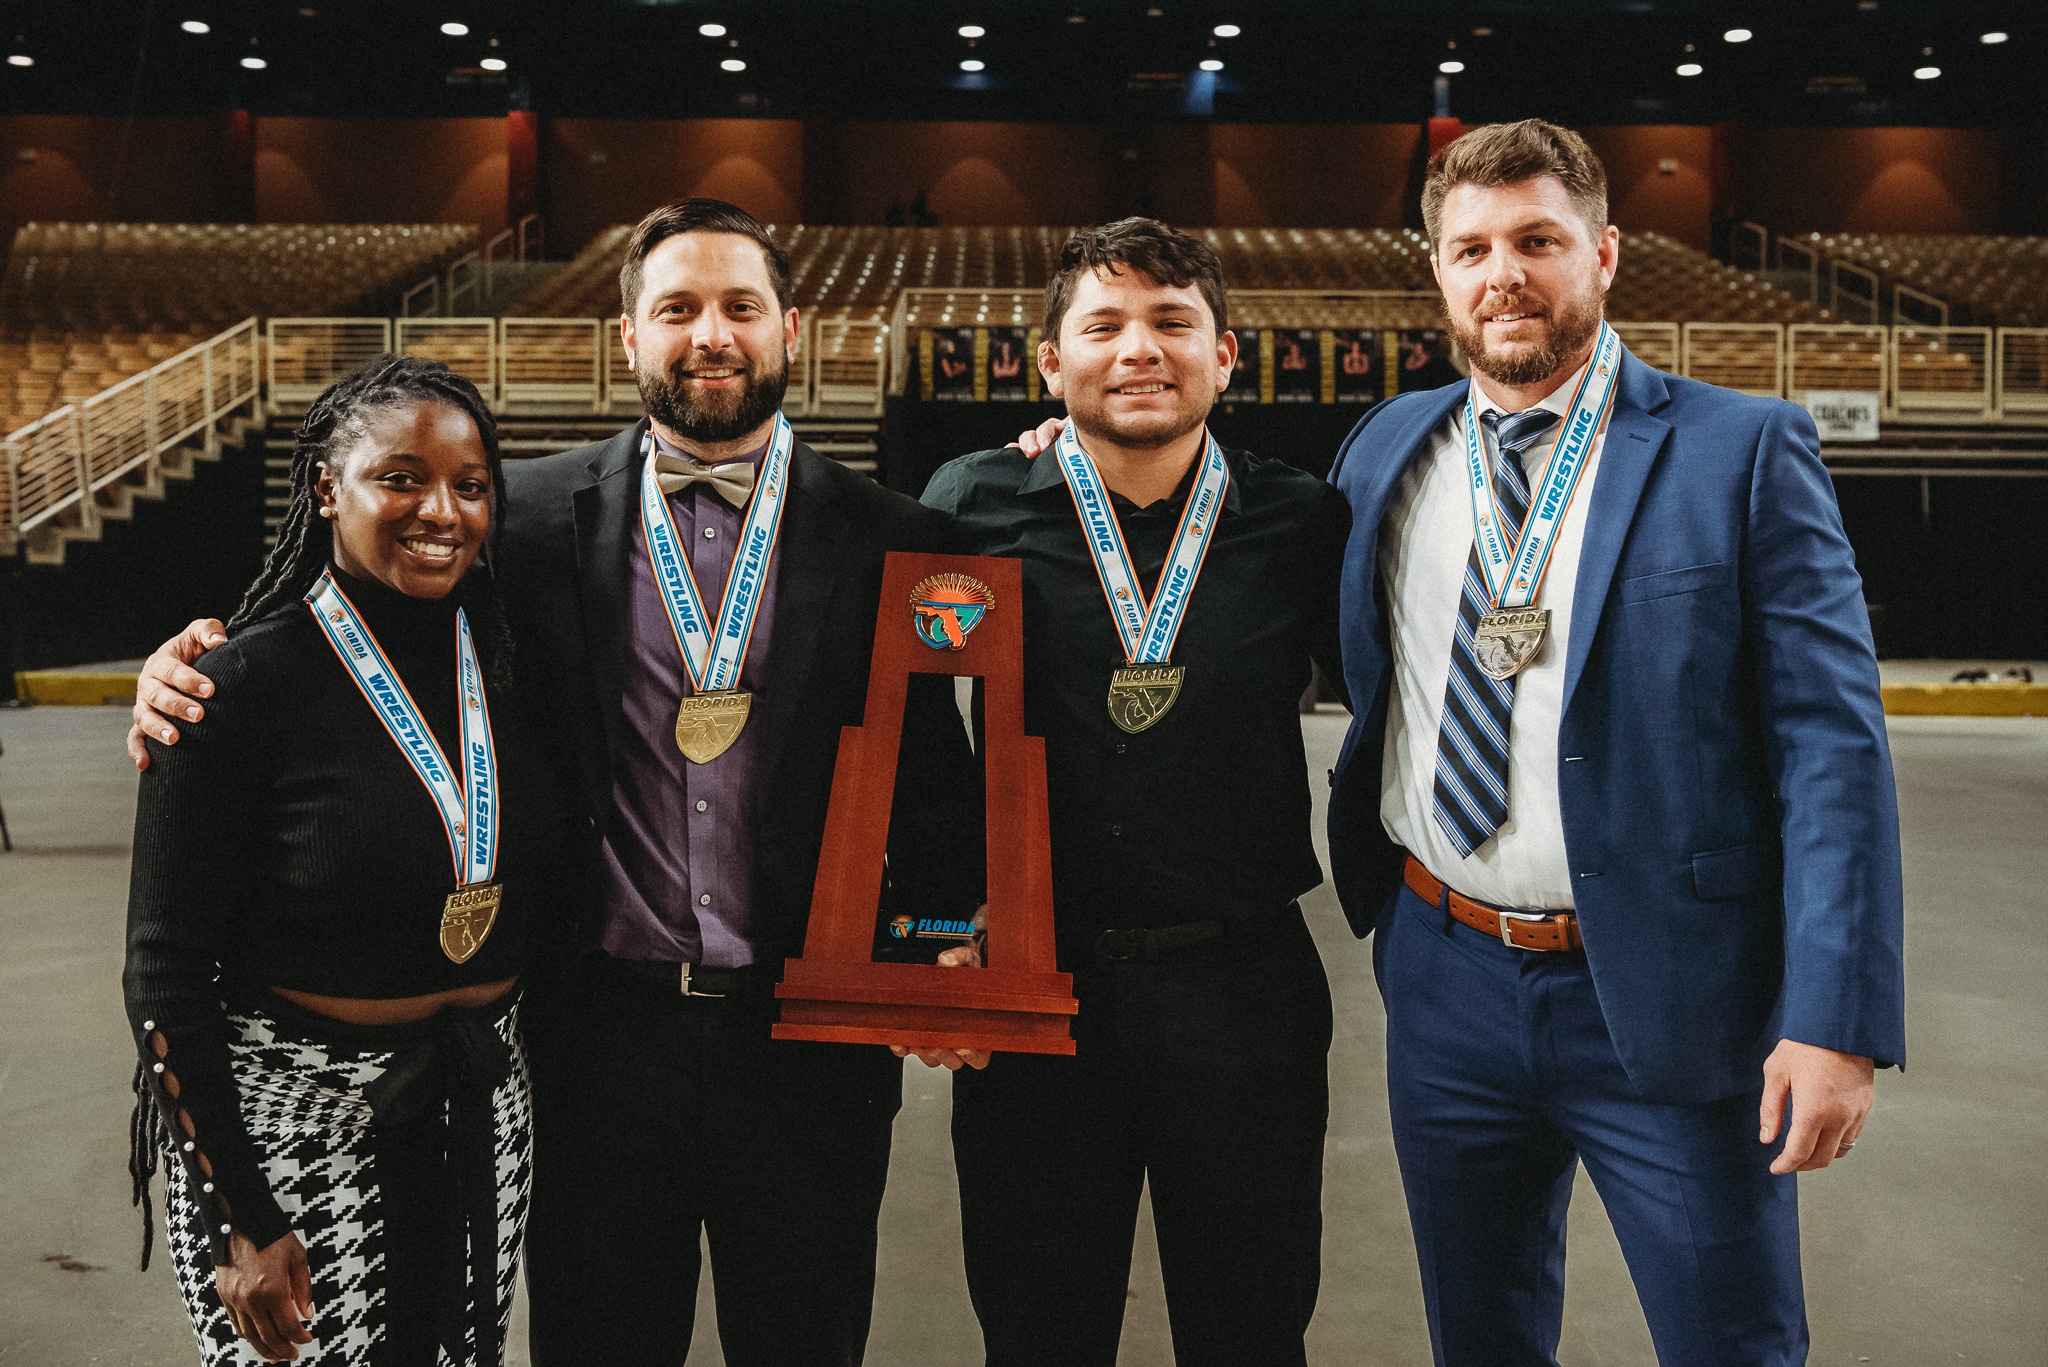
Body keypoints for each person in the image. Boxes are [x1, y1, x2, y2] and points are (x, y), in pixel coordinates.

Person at [129, 199, 979, 1367]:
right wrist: (186, 665)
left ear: (794, 331)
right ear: (627, 338)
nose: (711, 333)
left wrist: (936, 942)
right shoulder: (513, 518)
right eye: (676, 308)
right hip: (589, 1045)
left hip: (806, 1046)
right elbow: (351, 625)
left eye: (740, 306)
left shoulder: (895, 535)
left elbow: (933, 784)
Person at [1323, 120, 1905, 1363]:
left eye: (1537, 239)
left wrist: (1833, 1014)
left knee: (1728, 1341)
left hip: (1670, 991)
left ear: (1603, 252)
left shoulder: (1740, 448)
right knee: (1476, 1336)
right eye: (1469, 247)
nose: (1503, 274)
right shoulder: (1386, 450)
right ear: (1434, 268)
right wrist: (1059, 456)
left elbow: (1829, 749)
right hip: (1442, 975)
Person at [916, 217, 1351, 1367]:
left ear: (1224, 354)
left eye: (1171, 322)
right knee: (1037, 1327)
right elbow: (903, 736)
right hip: (1033, 987)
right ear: (1048, 365)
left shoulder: (1300, 517)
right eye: (1101, 325)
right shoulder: (970, 503)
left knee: (1251, 1327)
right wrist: (925, 928)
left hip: (1241, 982)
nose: (1138, 348)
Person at [124, 355, 570, 1365]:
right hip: (289, 1128)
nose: (440, 509)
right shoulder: (232, 685)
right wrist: (241, 1211)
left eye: (468, 483)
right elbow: (161, 967)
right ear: (326, 485)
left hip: (480, 1109)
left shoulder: (509, 658)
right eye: (400, 476)